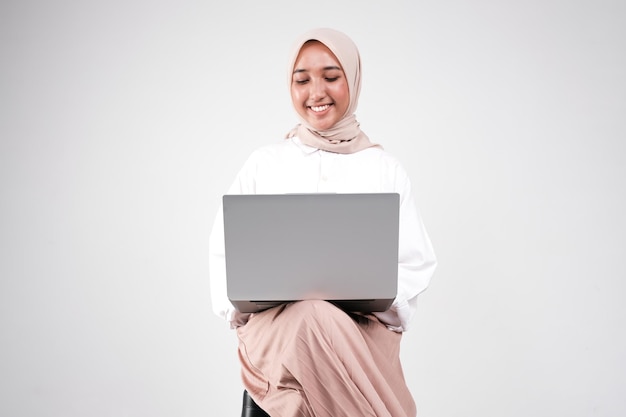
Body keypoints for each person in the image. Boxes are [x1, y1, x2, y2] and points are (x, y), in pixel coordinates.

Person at [209, 28, 437, 417]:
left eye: (331, 77)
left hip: (360, 335)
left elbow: (415, 266)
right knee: (308, 316)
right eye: (302, 80)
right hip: (275, 332)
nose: (316, 92)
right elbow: (223, 257)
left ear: (353, 79)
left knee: (316, 316)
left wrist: (371, 294)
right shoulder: (264, 164)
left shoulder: (384, 168)